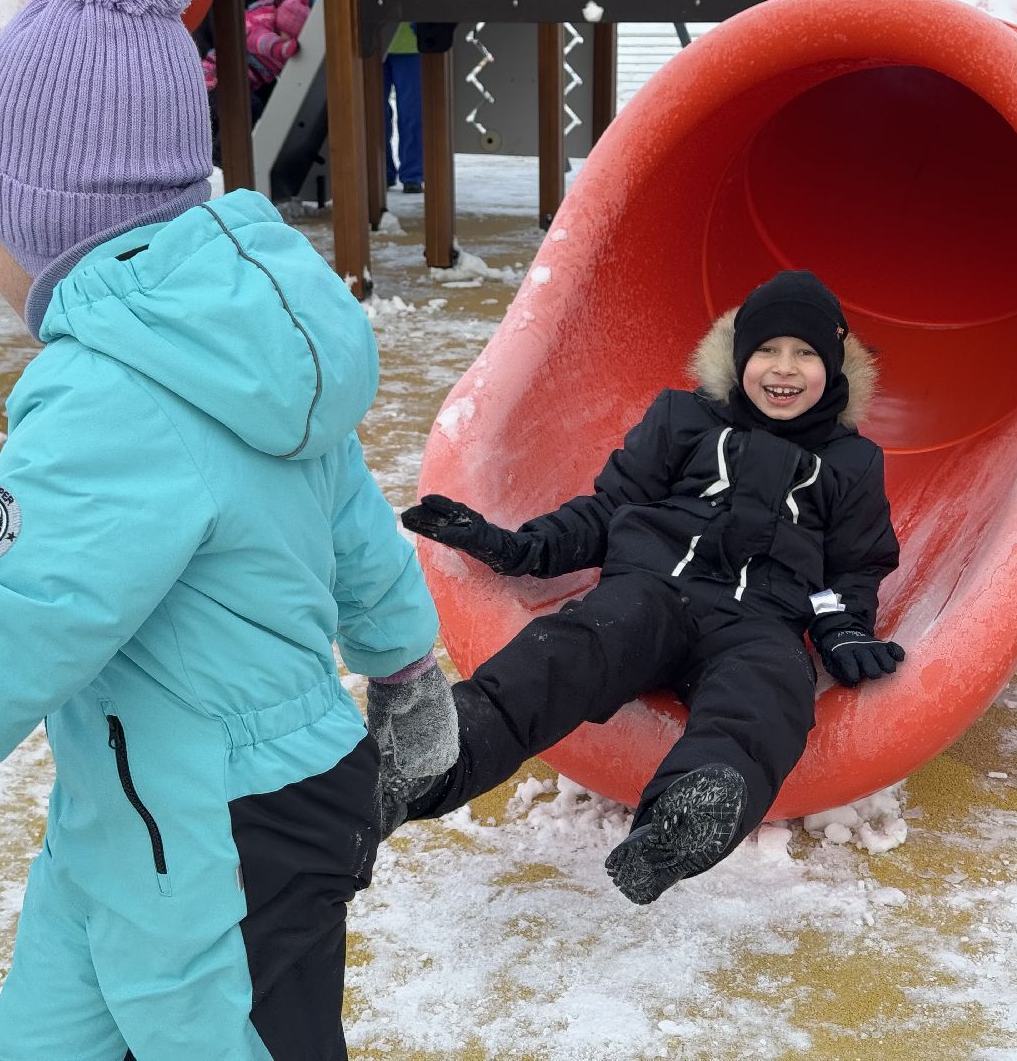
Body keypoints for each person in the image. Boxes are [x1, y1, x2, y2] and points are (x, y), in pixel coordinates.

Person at [0, 0, 454, 1057]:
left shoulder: (114, 398)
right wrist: (406, 671)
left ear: (47, 220)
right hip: (138, 805)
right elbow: (353, 525)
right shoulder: (238, 332)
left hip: (215, 837)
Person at [385, 270, 904, 905]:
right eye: (767, 349)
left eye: (806, 354)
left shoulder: (852, 463)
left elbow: (854, 566)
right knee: (571, 647)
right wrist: (520, 548)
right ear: (740, 354)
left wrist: (842, 624)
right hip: (652, 593)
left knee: (769, 692)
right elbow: (609, 510)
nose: (784, 368)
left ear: (835, 364)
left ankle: (683, 821)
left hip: (758, 623)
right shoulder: (682, 420)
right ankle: (434, 764)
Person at [202, 0, 312, 124]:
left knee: (233, 113)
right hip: (216, 79)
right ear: (282, 28)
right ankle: (224, 144)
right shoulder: (257, 26)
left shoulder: (271, 20)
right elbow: (262, 42)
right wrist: (281, 48)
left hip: (229, 83)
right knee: (249, 109)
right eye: (289, 37)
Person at [383, 23, 423, 193]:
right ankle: (382, 171)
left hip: (411, 45)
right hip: (373, 43)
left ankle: (412, 174)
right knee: (375, 114)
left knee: (411, 113)